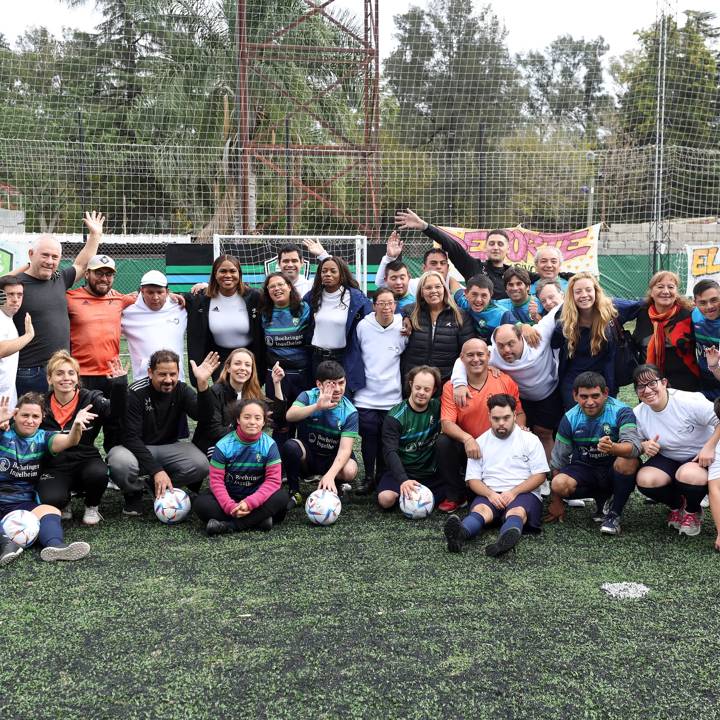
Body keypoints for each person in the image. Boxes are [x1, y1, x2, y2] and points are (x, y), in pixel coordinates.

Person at [452, 308, 562, 465]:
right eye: (501, 345)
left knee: (544, 433)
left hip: (548, 392)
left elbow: (555, 312)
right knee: (521, 437)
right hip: (521, 399)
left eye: (511, 344)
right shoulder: (493, 354)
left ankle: (548, 474)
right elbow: (462, 360)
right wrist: (459, 384)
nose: (506, 350)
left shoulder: (537, 336)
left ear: (521, 338)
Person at [443, 394, 549, 556]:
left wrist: (513, 492)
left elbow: (540, 476)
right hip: (490, 493)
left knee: (517, 512)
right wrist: (490, 494)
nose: (501, 423)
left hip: (523, 493)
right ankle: (458, 535)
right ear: (489, 417)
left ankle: (503, 543)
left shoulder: (530, 440)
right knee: (480, 510)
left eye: (506, 418)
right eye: (496, 418)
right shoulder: (479, 442)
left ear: (514, 415)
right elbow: (473, 480)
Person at [107, 349, 209, 516]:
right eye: (162, 374)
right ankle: (134, 493)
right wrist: (157, 470)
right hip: (135, 448)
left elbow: (202, 416)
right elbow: (130, 437)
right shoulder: (135, 392)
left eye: (173, 374)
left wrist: (203, 386)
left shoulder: (182, 390)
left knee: (201, 464)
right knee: (119, 461)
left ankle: (156, 487)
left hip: (168, 447)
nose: (168, 380)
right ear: (150, 373)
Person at [12, 211, 104, 396]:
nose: (49, 261)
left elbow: (82, 264)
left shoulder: (59, 279)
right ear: (31, 254)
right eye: (45, 255)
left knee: (61, 421)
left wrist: (95, 236)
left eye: (55, 257)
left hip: (61, 370)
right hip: (30, 371)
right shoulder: (15, 285)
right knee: (30, 422)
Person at [0, 393, 96, 565]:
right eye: (25, 415)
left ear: (42, 418)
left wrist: (76, 426)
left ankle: (56, 547)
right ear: (15, 415)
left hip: (20, 502)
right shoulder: (4, 433)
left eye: (35, 416)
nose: (30, 420)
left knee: (50, 511)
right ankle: (6, 545)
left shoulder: (43, 438)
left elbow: (69, 441)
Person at [545, 372, 642, 535]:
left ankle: (614, 514)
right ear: (575, 395)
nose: (590, 402)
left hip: (614, 467)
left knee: (628, 460)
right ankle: (603, 500)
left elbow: (634, 447)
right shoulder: (569, 418)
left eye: (595, 396)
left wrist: (612, 448)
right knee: (559, 484)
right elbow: (558, 461)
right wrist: (556, 501)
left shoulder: (622, 411)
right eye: (584, 396)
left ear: (605, 393)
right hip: (585, 467)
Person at [37, 350, 127, 526]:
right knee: (51, 499)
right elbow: (21, 426)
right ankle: (64, 502)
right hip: (54, 465)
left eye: (71, 373)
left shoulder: (91, 398)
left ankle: (92, 505)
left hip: (85, 458)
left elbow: (117, 414)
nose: (66, 378)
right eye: (59, 373)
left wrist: (119, 385)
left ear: (77, 378)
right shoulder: (40, 403)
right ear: (49, 379)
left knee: (98, 473)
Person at [632, 364, 720, 538]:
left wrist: (710, 446)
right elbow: (634, 441)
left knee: (689, 476)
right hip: (669, 457)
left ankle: (692, 511)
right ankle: (677, 505)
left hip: (699, 456)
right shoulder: (638, 413)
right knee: (646, 479)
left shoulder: (688, 401)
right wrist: (644, 445)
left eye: (652, 383)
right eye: (641, 386)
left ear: (664, 382)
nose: (647, 390)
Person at [437, 338, 524, 513]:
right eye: (470, 355)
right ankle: (455, 494)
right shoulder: (451, 387)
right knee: (443, 442)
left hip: (498, 444)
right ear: (461, 359)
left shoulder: (504, 380)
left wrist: (520, 432)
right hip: (469, 448)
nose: (476, 359)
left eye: (480, 354)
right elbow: (447, 423)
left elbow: (519, 413)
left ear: (489, 356)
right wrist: (468, 438)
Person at [66, 253, 135, 450]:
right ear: (87, 274)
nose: (104, 279)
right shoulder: (70, 298)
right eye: (99, 273)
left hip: (114, 377)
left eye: (109, 274)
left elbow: (148, 295)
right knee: (83, 431)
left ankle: (115, 475)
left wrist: (174, 295)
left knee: (117, 431)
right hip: (82, 377)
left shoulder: (119, 299)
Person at [193, 399, 290, 536]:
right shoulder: (223, 445)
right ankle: (259, 520)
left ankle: (229, 526)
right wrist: (230, 506)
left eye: (257, 418)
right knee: (201, 504)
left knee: (281, 498)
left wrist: (250, 503)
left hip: (258, 499)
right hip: (230, 496)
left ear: (263, 422)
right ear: (238, 419)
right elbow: (216, 482)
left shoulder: (270, 445)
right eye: (246, 417)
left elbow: (273, 482)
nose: (252, 422)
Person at [345, 287, 408, 494]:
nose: (386, 307)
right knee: (369, 436)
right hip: (366, 396)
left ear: (395, 305)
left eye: (390, 303)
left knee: (386, 437)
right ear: (374, 306)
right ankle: (369, 477)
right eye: (381, 303)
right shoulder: (363, 326)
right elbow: (355, 357)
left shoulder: (403, 325)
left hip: (392, 396)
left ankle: (382, 476)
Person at [551, 271, 641, 409]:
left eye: (588, 290)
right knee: (577, 423)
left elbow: (641, 306)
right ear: (572, 295)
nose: (584, 295)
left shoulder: (611, 309)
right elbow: (553, 342)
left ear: (596, 291)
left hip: (605, 379)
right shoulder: (565, 318)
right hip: (573, 382)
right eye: (578, 291)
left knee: (604, 425)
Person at [281, 360, 359, 509]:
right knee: (290, 447)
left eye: (341, 383)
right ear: (319, 384)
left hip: (332, 458)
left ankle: (336, 485)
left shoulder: (350, 411)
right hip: (309, 456)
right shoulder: (308, 396)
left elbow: (345, 449)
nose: (337, 389)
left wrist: (330, 474)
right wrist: (317, 406)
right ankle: (294, 491)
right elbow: (290, 416)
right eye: (331, 384)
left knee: (350, 470)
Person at [395, 208, 511, 299]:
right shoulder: (474, 267)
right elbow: (451, 245)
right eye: (491, 243)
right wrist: (424, 227)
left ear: (508, 248)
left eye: (500, 244)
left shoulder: (513, 274)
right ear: (485, 248)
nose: (495, 247)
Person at [184, 255, 264, 386]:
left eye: (232, 271)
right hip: (219, 360)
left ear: (239, 274)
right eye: (223, 271)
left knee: (247, 402)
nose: (228, 275)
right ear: (215, 274)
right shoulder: (202, 299)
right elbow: (173, 299)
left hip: (247, 359)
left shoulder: (254, 297)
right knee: (223, 401)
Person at [192, 349, 285, 456]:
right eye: (237, 363)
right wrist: (247, 431)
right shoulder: (216, 392)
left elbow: (278, 421)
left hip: (243, 445)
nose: (242, 368)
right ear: (228, 368)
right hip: (212, 446)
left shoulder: (253, 394)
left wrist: (277, 383)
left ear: (252, 370)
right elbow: (214, 431)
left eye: (247, 365)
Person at [377, 365, 443, 511]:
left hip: (430, 473)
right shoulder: (395, 416)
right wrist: (403, 480)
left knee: (457, 494)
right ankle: (408, 497)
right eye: (418, 387)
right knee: (385, 499)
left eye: (427, 389)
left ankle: (413, 499)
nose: (421, 393)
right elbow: (390, 452)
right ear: (411, 384)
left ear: (434, 390)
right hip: (403, 472)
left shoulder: (438, 407)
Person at [400, 271, 474, 385]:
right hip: (415, 383)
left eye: (438, 286)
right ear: (421, 292)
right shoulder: (411, 313)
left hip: (445, 383)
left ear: (444, 289)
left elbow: (467, 352)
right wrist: (405, 316)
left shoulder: (460, 316)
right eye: (428, 288)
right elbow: (404, 309)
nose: (433, 291)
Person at [631, 271, 699, 392]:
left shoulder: (689, 315)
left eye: (671, 287)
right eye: (660, 286)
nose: (666, 291)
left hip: (684, 386)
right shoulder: (642, 314)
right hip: (649, 386)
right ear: (651, 292)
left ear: (676, 292)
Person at [305, 255, 372, 376]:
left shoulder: (355, 298)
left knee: (339, 394)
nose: (327, 274)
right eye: (324, 271)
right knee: (319, 394)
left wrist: (405, 317)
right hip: (317, 359)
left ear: (342, 274)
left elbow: (375, 317)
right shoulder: (312, 297)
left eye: (333, 271)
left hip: (343, 358)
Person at [122, 271, 188, 381]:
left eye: (159, 292)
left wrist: (204, 286)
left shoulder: (180, 307)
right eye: (150, 292)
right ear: (142, 291)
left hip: (176, 380)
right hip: (143, 382)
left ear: (167, 292)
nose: (155, 297)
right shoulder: (128, 312)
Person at [259, 272, 313, 407]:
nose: (276, 288)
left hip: (302, 375)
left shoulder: (304, 308)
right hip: (275, 376)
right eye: (272, 286)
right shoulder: (264, 313)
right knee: (280, 423)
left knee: (303, 420)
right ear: (267, 291)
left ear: (289, 287)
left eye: (280, 284)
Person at [374, 230, 451, 296]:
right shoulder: (416, 285)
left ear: (447, 268)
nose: (438, 267)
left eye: (442, 263)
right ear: (424, 268)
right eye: (433, 263)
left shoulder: (456, 287)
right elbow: (380, 284)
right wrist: (389, 258)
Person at [0, 276, 34, 408]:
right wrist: (28, 336)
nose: (15, 299)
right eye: (10, 294)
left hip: (7, 400)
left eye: (19, 295)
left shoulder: (7, 318)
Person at [448, 274, 506, 343]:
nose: (478, 300)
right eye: (474, 294)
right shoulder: (465, 304)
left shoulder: (502, 314)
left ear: (490, 295)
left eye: (484, 295)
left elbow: (521, 328)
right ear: (466, 293)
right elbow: (454, 286)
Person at [690, 279, 720, 399]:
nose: (709, 307)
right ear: (695, 303)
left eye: (714, 300)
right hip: (704, 381)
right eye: (702, 302)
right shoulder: (695, 315)